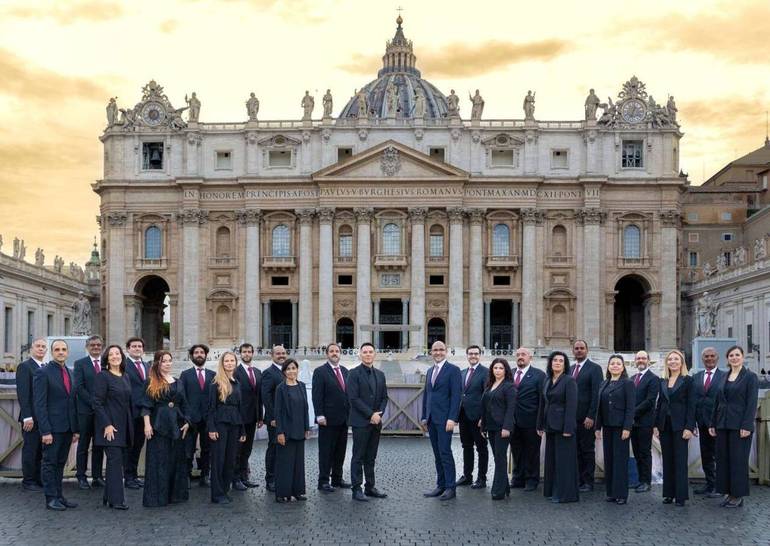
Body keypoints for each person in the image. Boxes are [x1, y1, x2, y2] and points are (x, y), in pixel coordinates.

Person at [709, 345, 759, 508]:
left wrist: (747, 425)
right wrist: (713, 422)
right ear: (727, 359)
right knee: (723, 460)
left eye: (737, 355)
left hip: (740, 426)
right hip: (722, 424)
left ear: (742, 357)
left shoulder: (750, 377)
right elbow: (717, 401)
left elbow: (751, 403)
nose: (734, 358)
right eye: (731, 355)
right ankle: (728, 493)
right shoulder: (724, 376)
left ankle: (738, 495)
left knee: (738, 461)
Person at [33, 339, 79, 510]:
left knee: (60, 464)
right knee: (49, 463)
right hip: (51, 429)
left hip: (67, 428)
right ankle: (50, 498)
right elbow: (40, 404)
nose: (61, 352)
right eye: (57, 349)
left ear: (67, 352)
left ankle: (59, 496)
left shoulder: (70, 372)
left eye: (64, 349)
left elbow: (72, 402)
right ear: (51, 352)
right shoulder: (42, 373)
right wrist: (45, 431)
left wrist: (75, 429)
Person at [141, 351, 190, 507]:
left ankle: (175, 495)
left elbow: (185, 404)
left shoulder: (178, 382)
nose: (168, 363)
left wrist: (187, 422)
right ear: (157, 363)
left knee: (175, 460)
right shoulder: (151, 381)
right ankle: (158, 497)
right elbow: (146, 405)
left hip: (177, 425)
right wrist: (147, 424)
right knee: (159, 461)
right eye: (164, 361)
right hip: (158, 425)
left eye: (170, 361)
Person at [421, 340, 462, 501]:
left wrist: (452, 418)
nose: (438, 352)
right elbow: (427, 395)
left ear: (446, 351)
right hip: (432, 419)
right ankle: (441, 485)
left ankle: (451, 487)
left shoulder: (453, 370)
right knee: (437, 454)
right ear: (431, 352)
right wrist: (424, 416)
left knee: (445, 452)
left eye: (441, 350)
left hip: (445, 419)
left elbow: (456, 396)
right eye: (435, 350)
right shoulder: (430, 370)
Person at [654, 349, 696, 507]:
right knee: (668, 461)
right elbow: (660, 405)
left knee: (680, 461)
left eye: (676, 359)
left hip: (681, 426)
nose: (673, 362)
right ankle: (669, 494)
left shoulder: (688, 381)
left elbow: (692, 406)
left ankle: (680, 495)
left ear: (682, 362)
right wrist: (656, 425)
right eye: (670, 359)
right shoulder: (663, 380)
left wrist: (689, 427)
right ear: (667, 363)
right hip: (665, 425)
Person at [93, 344, 132, 510]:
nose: (115, 356)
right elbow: (96, 403)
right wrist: (107, 424)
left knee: (116, 461)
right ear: (106, 359)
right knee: (115, 462)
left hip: (124, 425)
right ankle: (116, 500)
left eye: (118, 353)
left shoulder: (125, 376)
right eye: (111, 354)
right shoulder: (103, 376)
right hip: (110, 427)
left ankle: (109, 496)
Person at [347, 342, 388, 502]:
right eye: (365, 352)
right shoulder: (353, 373)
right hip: (361, 422)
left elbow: (385, 397)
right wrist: (371, 414)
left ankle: (370, 487)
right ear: (360, 354)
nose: (368, 354)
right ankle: (356, 488)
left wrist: (379, 414)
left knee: (371, 456)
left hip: (376, 422)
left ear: (375, 354)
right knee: (358, 456)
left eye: (371, 352)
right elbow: (353, 398)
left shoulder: (380, 374)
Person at [538, 350, 579, 504]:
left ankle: (565, 494)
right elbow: (543, 403)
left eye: (561, 361)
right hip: (550, 426)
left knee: (564, 462)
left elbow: (571, 406)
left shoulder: (569, 381)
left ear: (565, 364)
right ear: (550, 363)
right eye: (555, 360)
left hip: (564, 427)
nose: (557, 363)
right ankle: (552, 491)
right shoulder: (547, 380)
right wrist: (540, 424)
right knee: (552, 461)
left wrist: (568, 428)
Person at [595, 354, 635, 505]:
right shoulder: (604, 383)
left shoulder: (627, 383)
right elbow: (599, 407)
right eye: (612, 363)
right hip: (607, 427)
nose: (615, 366)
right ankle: (611, 492)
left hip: (620, 428)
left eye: (618, 363)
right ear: (608, 366)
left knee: (620, 461)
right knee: (609, 460)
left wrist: (627, 427)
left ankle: (621, 494)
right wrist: (597, 427)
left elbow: (630, 408)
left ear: (623, 367)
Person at [207, 351, 246, 504]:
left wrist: (242, 429)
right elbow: (210, 407)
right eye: (226, 361)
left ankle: (224, 490)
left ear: (235, 363)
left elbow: (239, 407)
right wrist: (211, 428)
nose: (229, 363)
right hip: (220, 425)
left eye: (232, 361)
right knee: (218, 460)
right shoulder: (215, 383)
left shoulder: (237, 382)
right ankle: (216, 494)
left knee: (230, 459)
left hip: (235, 424)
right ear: (222, 364)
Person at [311, 342, 351, 492]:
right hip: (327, 419)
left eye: (337, 351)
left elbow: (348, 395)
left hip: (343, 419)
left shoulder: (346, 371)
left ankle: (337, 479)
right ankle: (323, 481)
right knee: (326, 451)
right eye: (332, 351)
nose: (335, 353)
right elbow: (317, 395)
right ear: (327, 354)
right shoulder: (320, 371)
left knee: (340, 451)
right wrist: (319, 414)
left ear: (340, 353)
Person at [480, 358, 516, 500]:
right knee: (497, 458)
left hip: (503, 427)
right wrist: (483, 426)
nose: (498, 371)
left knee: (500, 458)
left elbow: (511, 409)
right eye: (495, 368)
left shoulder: (509, 386)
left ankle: (498, 491)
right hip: (491, 426)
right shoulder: (490, 385)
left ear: (505, 370)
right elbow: (484, 407)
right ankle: (505, 487)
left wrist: (507, 427)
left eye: (501, 368)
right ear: (492, 370)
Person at [274, 358, 310, 502]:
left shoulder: (301, 386)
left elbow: (305, 408)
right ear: (284, 372)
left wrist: (307, 427)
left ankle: (297, 491)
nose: (291, 371)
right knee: (285, 463)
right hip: (286, 431)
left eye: (293, 368)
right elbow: (278, 411)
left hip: (300, 429)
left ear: (297, 369)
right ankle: (282, 493)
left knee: (298, 463)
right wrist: (280, 432)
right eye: (288, 369)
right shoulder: (280, 388)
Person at [510, 346, 546, 491]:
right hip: (513, 421)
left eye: (523, 354)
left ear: (530, 357)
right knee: (516, 450)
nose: (520, 357)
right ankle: (518, 477)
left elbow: (542, 400)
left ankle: (532, 479)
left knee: (532, 452)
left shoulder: (539, 375)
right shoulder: (510, 373)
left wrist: (540, 423)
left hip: (531, 421)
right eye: (518, 354)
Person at [179, 344, 215, 487]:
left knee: (207, 449)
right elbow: (182, 397)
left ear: (206, 355)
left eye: (201, 352)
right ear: (192, 356)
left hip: (207, 418)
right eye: (196, 352)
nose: (199, 354)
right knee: (188, 448)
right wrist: (185, 417)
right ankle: (186, 475)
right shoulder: (185, 374)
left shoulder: (213, 375)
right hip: (190, 418)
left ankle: (205, 475)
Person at [73, 335, 105, 489]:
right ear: (87, 347)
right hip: (86, 411)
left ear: (102, 347)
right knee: (83, 445)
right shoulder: (80, 364)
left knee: (99, 445)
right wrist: (94, 403)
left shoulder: (106, 364)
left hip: (102, 413)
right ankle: (81, 476)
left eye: (98, 345)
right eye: (93, 345)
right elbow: (78, 387)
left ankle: (97, 476)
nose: (96, 347)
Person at [571, 339, 603, 492]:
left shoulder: (594, 368)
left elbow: (597, 394)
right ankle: (578, 480)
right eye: (576, 348)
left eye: (581, 348)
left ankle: (588, 481)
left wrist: (591, 416)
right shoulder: (569, 369)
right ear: (573, 351)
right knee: (575, 449)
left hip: (586, 418)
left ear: (587, 350)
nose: (579, 350)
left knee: (587, 450)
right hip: (572, 418)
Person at [16, 337, 47, 492]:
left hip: (43, 418)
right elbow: (23, 393)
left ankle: (38, 478)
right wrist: (27, 416)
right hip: (31, 418)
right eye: (38, 346)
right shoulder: (25, 366)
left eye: (43, 347)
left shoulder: (45, 366)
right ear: (31, 349)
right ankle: (28, 480)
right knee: (30, 449)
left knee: (41, 450)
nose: (41, 349)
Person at [692, 346, 723, 498]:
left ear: (717, 358)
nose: (709, 358)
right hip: (702, 422)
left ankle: (719, 486)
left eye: (712, 356)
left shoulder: (724, 376)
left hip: (718, 423)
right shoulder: (696, 377)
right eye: (706, 356)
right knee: (706, 455)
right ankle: (710, 483)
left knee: (718, 455)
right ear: (702, 358)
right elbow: (693, 400)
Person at [457, 345, 488, 489]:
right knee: (466, 446)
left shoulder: (485, 372)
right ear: (467, 355)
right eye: (470, 354)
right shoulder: (462, 373)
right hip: (463, 415)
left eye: (476, 353)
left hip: (477, 417)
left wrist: (484, 417)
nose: (473, 356)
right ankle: (467, 476)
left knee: (481, 448)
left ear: (480, 355)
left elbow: (486, 396)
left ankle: (482, 478)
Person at [233, 343, 262, 490]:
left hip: (252, 417)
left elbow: (259, 396)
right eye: (244, 352)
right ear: (240, 353)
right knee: (238, 449)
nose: (247, 354)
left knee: (247, 449)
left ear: (253, 353)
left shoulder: (257, 372)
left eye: (249, 351)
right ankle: (236, 478)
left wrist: (260, 417)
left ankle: (244, 477)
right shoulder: (235, 372)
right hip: (239, 417)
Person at [630, 350, 659, 493]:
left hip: (645, 422)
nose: (640, 360)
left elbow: (650, 400)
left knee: (644, 452)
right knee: (636, 452)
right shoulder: (632, 378)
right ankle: (640, 480)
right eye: (638, 358)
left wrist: (631, 413)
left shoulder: (653, 378)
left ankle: (646, 481)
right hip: (632, 423)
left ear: (648, 360)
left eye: (643, 358)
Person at [260, 344, 287, 492]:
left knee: (283, 448)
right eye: (278, 354)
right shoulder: (269, 373)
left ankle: (281, 476)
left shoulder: (288, 371)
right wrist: (272, 417)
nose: (281, 355)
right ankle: (270, 479)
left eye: (283, 353)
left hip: (287, 418)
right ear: (272, 355)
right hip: (275, 419)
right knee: (274, 447)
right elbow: (266, 397)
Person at [123, 337, 149, 489]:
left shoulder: (147, 365)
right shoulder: (123, 365)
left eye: (139, 346)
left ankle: (134, 475)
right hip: (129, 411)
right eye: (134, 346)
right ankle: (128, 477)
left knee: (138, 445)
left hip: (143, 412)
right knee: (129, 446)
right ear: (128, 349)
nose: (137, 348)